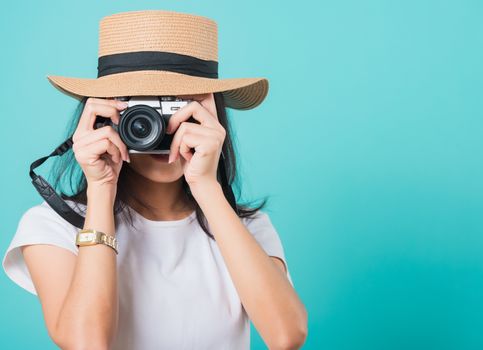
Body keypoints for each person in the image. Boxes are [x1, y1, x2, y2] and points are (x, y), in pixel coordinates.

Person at [2, 10, 308, 349]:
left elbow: (286, 336)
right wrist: (102, 189)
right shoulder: (51, 227)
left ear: (213, 114)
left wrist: (207, 186)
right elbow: (88, 344)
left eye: (178, 107)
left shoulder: (246, 228)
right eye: (142, 111)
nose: (161, 129)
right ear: (104, 115)